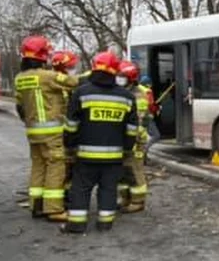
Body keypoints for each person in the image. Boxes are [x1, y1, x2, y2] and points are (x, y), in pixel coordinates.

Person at [62, 52, 138, 233]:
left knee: (80, 189)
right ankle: (105, 223)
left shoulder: (81, 93)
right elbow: (131, 128)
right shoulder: (127, 97)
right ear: (115, 71)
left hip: (86, 155)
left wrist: (69, 145)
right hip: (114, 156)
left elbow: (71, 125)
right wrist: (127, 149)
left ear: (93, 68)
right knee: (109, 189)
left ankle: (77, 224)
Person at [14, 35, 70, 221]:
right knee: (55, 167)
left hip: (32, 132)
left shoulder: (19, 78)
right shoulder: (46, 76)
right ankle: (54, 209)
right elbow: (73, 82)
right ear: (43, 55)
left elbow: (20, 106)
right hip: (52, 133)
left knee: (38, 167)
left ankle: (36, 205)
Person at [116, 61, 150, 213]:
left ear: (130, 78)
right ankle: (125, 198)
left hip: (135, 138)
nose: (118, 79)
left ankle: (138, 201)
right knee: (122, 171)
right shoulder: (120, 91)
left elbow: (138, 119)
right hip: (122, 137)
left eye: (122, 76)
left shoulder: (138, 94)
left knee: (134, 170)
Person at [51, 50, 81, 201]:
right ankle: (61, 197)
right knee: (62, 168)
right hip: (61, 133)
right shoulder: (57, 82)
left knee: (71, 168)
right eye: (71, 66)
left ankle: (68, 195)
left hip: (69, 132)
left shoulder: (66, 84)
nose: (73, 69)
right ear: (62, 68)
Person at [140, 74, 162, 155]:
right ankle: (144, 151)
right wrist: (157, 108)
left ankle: (142, 154)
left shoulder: (138, 90)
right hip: (147, 116)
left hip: (139, 117)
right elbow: (150, 105)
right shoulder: (148, 92)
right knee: (156, 135)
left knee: (141, 137)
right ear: (148, 84)